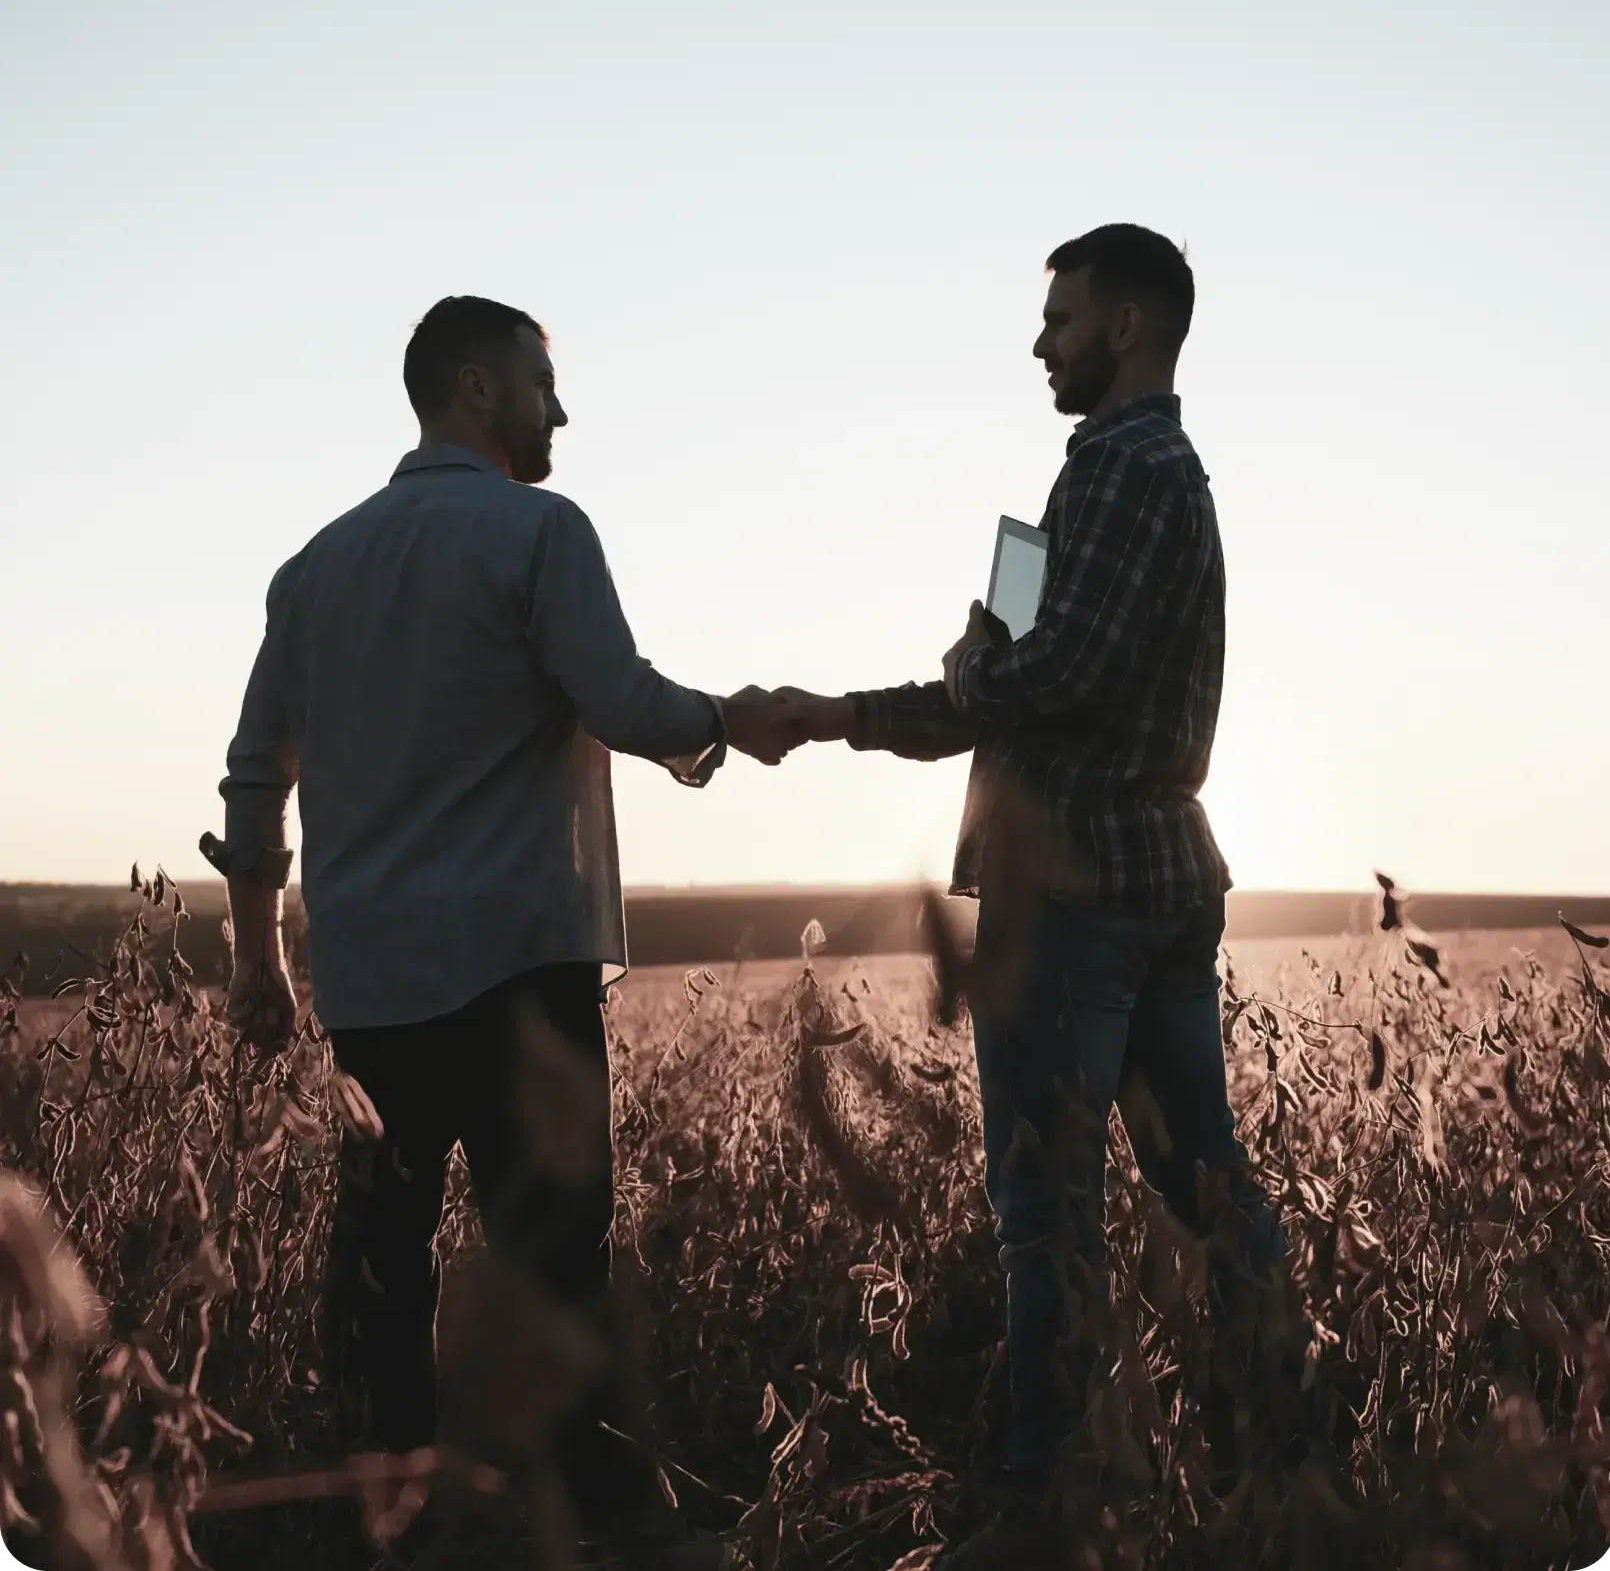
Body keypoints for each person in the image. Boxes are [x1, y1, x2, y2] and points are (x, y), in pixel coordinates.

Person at [203, 295, 788, 1569]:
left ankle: (394, 1528)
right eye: (543, 382)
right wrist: (722, 727)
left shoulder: (313, 570)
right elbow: (619, 698)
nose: (559, 410)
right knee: (557, 1267)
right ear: (475, 388)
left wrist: (259, 962)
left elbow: (255, 779)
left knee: (383, 1280)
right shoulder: (540, 530)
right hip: (522, 975)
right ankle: (607, 1529)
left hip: (372, 992)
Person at [775, 227, 1318, 1547]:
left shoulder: (1127, 468)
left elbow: (1039, 674)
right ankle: (1290, 1440)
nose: (1039, 341)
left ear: (1126, 325)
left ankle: (1039, 1494)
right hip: (1151, 879)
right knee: (1202, 1185)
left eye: (1061, 318)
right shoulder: (1089, 485)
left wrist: (965, 670)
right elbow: (998, 663)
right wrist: (841, 710)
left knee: (1044, 1213)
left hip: (1082, 897)